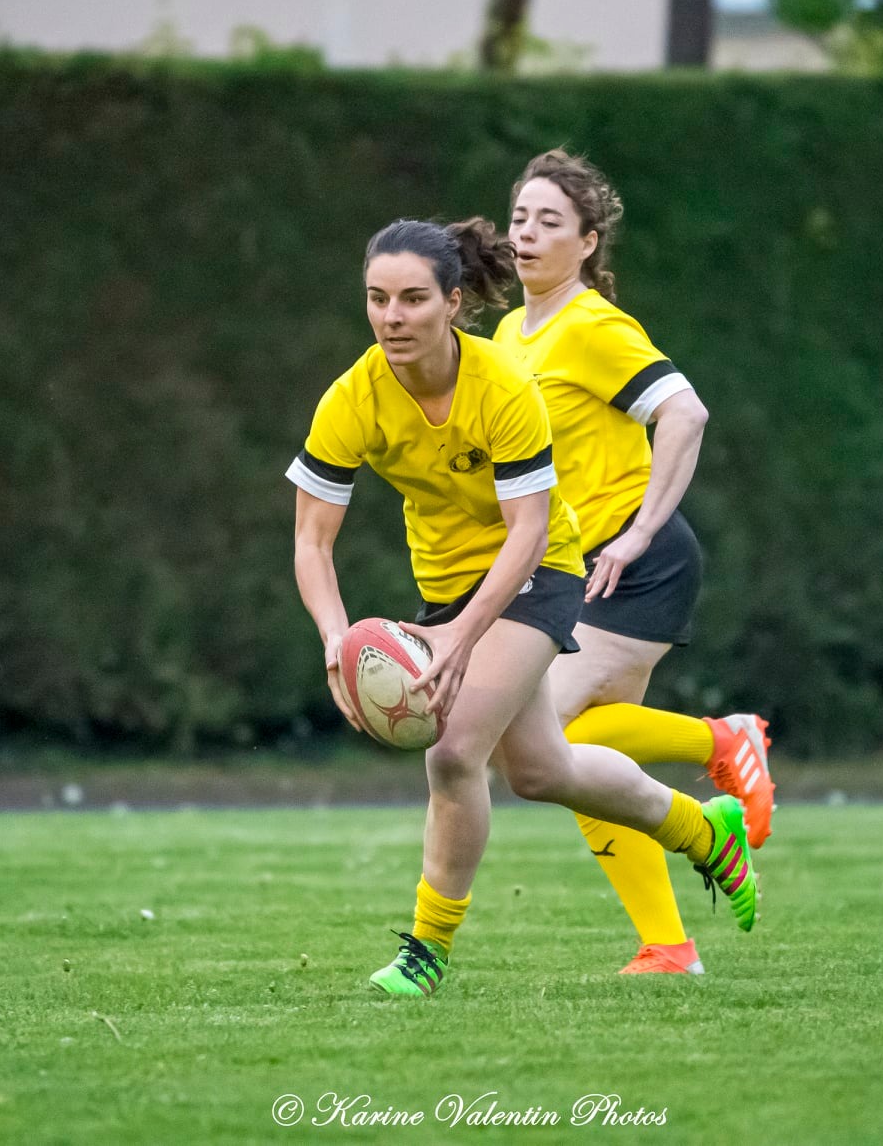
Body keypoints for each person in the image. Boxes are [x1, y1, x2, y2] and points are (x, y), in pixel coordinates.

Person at [287, 217, 757, 997]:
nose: (391, 317)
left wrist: (458, 642)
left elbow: (528, 531)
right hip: (446, 585)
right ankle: (699, 828)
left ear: (454, 301)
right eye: (376, 299)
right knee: (542, 770)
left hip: (538, 571)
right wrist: (336, 640)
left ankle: (426, 951)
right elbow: (311, 541)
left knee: (452, 750)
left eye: (410, 299)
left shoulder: (503, 384)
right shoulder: (353, 397)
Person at [493, 149, 775, 976]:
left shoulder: (592, 326)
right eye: (518, 219)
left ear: (586, 243)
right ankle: (668, 946)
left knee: (539, 743)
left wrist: (639, 531)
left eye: (549, 222)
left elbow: (685, 414)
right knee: (584, 768)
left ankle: (722, 738)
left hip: (634, 566)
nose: (527, 234)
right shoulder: (512, 331)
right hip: (573, 570)